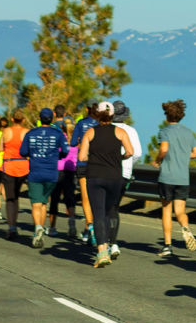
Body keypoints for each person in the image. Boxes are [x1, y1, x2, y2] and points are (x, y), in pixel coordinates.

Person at [77, 102, 135, 268]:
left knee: (98, 213)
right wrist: (119, 159)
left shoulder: (90, 132)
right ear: (112, 115)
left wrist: (94, 159)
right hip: (114, 177)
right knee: (110, 211)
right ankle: (111, 244)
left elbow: (81, 157)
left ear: (97, 114)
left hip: (95, 177)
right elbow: (130, 152)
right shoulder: (120, 132)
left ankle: (102, 251)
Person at [155, 100, 196, 257]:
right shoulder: (188, 132)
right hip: (183, 178)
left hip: (167, 176)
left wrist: (158, 160)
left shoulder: (165, 131)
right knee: (180, 211)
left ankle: (167, 246)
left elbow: (163, 148)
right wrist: (183, 156)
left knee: (166, 211)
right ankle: (185, 227)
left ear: (167, 115)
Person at [20, 108, 68, 249]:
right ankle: (40, 228)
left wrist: (33, 154)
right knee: (44, 202)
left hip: (35, 172)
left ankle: (38, 228)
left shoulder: (31, 133)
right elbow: (65, 151)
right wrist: (56, 156)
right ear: (51, 119)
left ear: (40, 119)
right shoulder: (58, 134)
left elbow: (22, 152)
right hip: (52, 174)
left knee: (36, 203)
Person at [108, 101, 144, 258]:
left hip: (106, 172)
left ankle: (103, 240)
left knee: (104, 207)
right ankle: (113, 242)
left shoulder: (105, 130)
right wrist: (128, 164)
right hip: (124, 174)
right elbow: (137, 154)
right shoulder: (131, 131)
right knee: (115, 208)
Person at [47, 105, 81, 239]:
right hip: (70, 171)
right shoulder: (76, 141)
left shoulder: (59, 138)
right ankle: (71, 224)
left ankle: (52, 227)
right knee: (70, 199)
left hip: (58, 170)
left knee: (54, 199)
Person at [69, 106, 102, 243]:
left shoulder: (81, 123)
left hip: (83, 163)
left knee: (85, 196)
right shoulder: (101, 125)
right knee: (98, 197)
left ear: (87, 110)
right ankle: (95, 226)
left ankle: (90, 227)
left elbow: (72, 143)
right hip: (98, 164)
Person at [0, 113, 32, 241]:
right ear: (23, 120)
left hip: (9, 166)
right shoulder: (26, 132)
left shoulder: (6, 131)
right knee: (16, 196)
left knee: (9, 198)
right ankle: (14, 224)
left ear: (12, 119)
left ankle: (11, 227)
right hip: (23, 166)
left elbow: (0, 148)